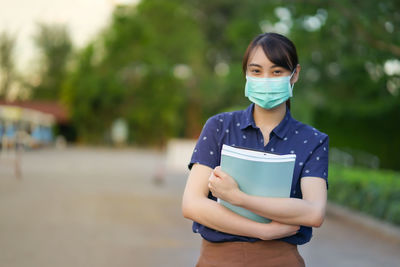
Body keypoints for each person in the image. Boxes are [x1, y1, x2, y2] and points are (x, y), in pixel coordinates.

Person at [182, 32, 329, 267]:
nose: (266, 79)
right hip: (217, 260)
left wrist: (238, 197)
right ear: (246, 75)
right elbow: (192, 204)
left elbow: (313, 212)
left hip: (281, 260)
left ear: (295, 75)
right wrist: (263, 231)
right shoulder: (219, 127)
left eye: (277, 71)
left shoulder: (312, 140)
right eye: (256, 71)